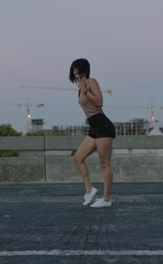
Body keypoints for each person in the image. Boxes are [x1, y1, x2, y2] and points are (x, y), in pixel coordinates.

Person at [70, 58, 116, 208]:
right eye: (73, 69)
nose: (74, 71)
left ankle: (107, 199)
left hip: (103, 125)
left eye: (77, 69)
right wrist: (81, 88)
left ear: (83, 69)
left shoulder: (91, 82)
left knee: (104, 163)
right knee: (78, 157)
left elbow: (99, 102)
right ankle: (89, 190)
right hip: (93, 127)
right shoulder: (80, 86)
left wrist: (85, 89)